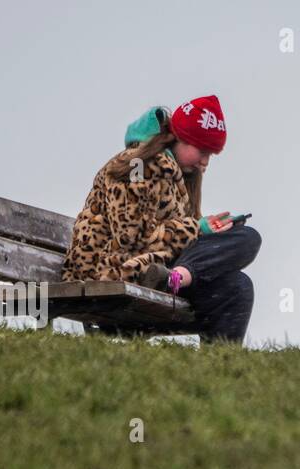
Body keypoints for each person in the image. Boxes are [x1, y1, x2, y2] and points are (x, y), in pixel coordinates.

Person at [61, 94, 261, 343]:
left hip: (160, 271)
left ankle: (220, 370)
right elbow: (129, 238)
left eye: (211, 155)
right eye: (202, 151)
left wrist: (207, 231)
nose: (204, 162)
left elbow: (174, 235)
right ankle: (178, 275)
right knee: (240, 244)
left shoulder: (181, 175)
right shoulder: (137, 165)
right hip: (116, 271)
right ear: (180, 138)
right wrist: (196, 229)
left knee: (241, 271)